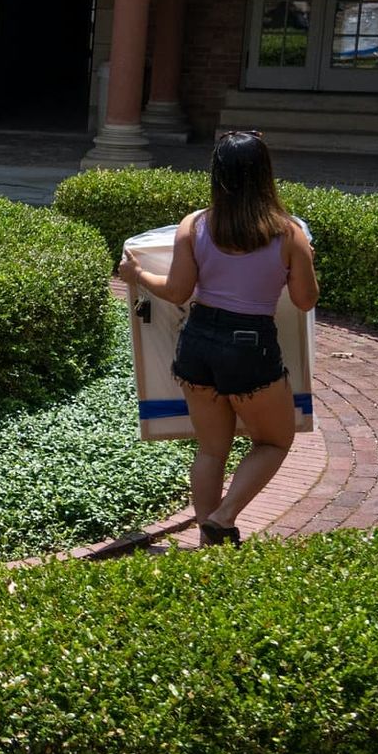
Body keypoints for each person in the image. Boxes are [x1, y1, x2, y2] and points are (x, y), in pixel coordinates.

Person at [118, 132, 320, 546]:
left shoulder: (194, 225)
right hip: (251, 348)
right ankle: (223, 518)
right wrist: (305, 263)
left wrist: (136, 276)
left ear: (217, 174)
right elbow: (304, 301)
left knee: (211, 450)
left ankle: (210, 543)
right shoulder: (288, 234)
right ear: (265, 175)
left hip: (197, 344)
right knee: (274, 441)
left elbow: (176, 292)